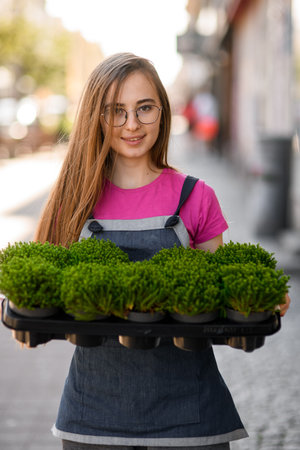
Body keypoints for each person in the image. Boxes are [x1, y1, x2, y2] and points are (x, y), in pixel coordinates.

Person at [35, 53, 290, 450]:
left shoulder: (196, 197)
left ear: (163, 111)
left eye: (144, 108)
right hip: (93, 418)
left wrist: (261, 298)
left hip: (191, 417)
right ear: (95, 117)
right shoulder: (75, 199)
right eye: (115, 111)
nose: (132, 124)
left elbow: (213, 298)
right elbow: (41, 292)